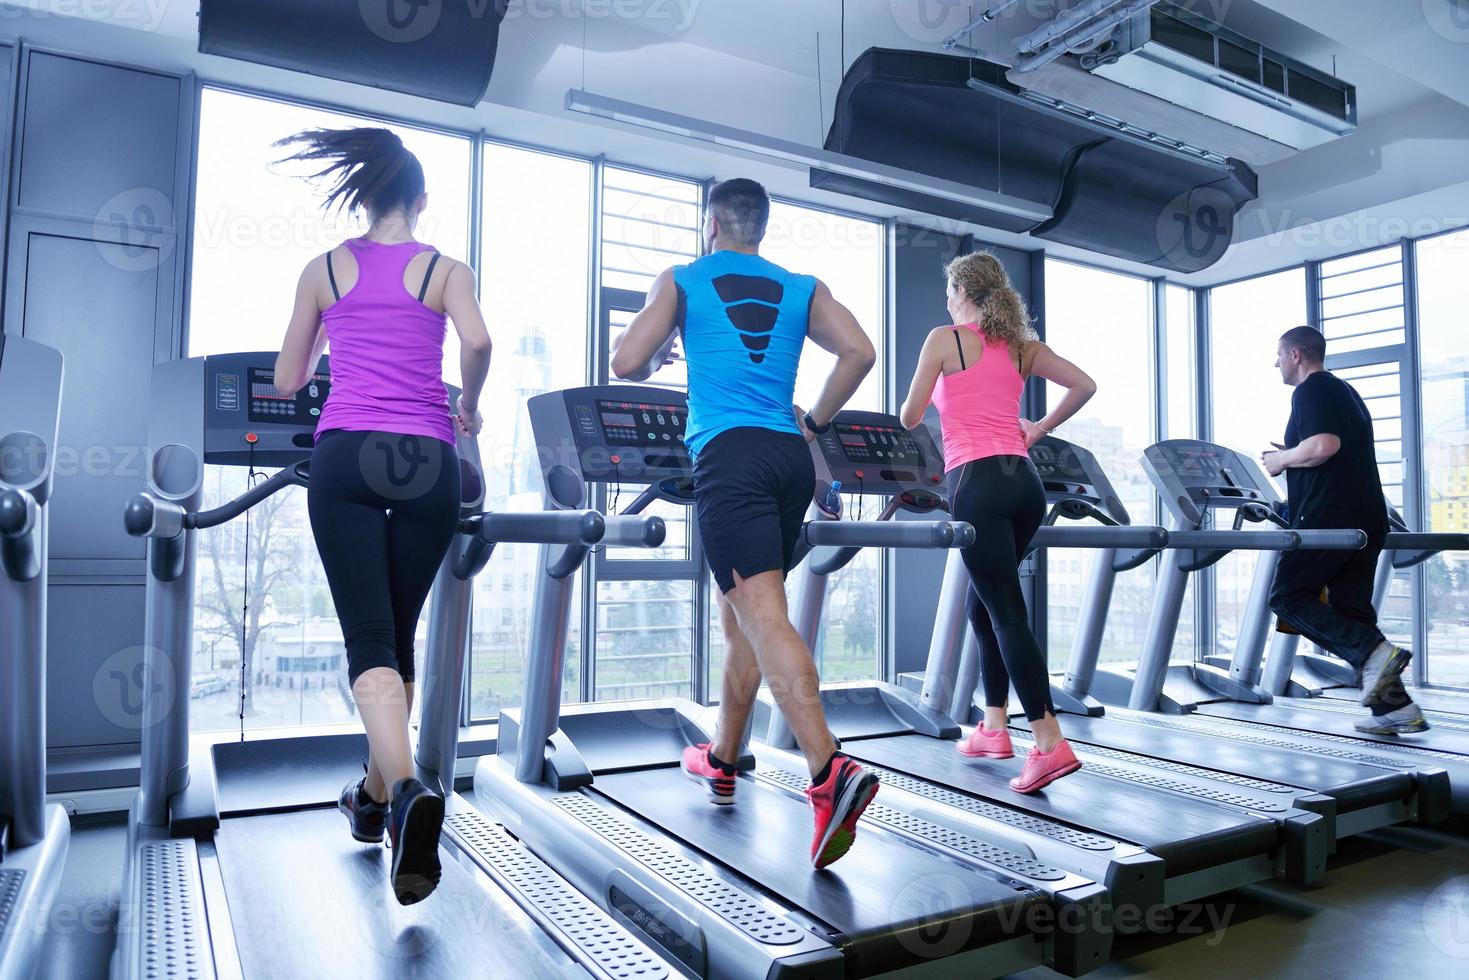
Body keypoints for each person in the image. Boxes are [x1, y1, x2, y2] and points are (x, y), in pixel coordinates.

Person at [611, 178, 879, 869]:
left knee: (761, 618)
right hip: (788, 457)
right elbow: (860, 352)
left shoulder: (683, 278)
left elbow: (625, 361)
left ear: (711, 224)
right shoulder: (801, 286)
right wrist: (813, 421)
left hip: (728, 457)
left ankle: (829, 771)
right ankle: (723, 758)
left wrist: (668, 340)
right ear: (759, 226)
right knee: (743, 619)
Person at [272, 128, 492, 904]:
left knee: (369, 639)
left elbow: (289, 373)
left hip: (348, 456)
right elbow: (478, 339)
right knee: (395, 640)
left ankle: (403, 794)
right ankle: (371, 803)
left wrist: (334, 338)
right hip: (429, 462)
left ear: (363, 198)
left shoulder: (324, 269)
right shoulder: (444, 268)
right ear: (420, 202)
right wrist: (466, 403)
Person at [899, 251, 1096, 793]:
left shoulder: (944, 339)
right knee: (982, 604)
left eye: (948, 292)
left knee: (1006, 611)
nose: (946, 300)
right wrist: (1038, 428)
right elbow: (1085, 385)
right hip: (1023, 484)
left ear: (962, 290)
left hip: (976, 484)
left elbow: (909, 417)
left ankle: (1050, 742)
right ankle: (992, 725)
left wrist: (936, 394)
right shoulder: (1022, 348)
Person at [1261, 326, 1426, 735]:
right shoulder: (1344, 392)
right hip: (1364, 516)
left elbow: (1323, 447)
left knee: (1288, 597)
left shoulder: (1311, 390)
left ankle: (1373, 654)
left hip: (1328, 517)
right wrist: (1293, 455)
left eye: (1279, 356)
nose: (1275, 364)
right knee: (1351, 609)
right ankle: (1396, 710)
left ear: (1296, 354)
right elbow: (1329, 449)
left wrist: (1282, 463)